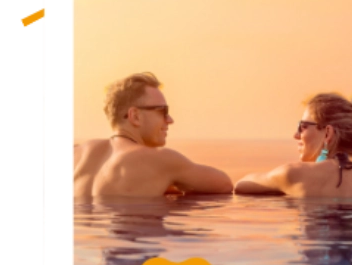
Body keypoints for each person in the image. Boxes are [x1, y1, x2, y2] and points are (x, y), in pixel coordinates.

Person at [74, 72, 234, 201]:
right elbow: (224, 184)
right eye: (162, 111)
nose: (170, 120)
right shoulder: (159, 159)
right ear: (135, 116)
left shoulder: (73, 155)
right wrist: (173, 180)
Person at [235, 92, 352, 198]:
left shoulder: (292, 175)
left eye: (303, 126)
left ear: (328, 133)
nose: (296, 134)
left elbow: (241, 185)